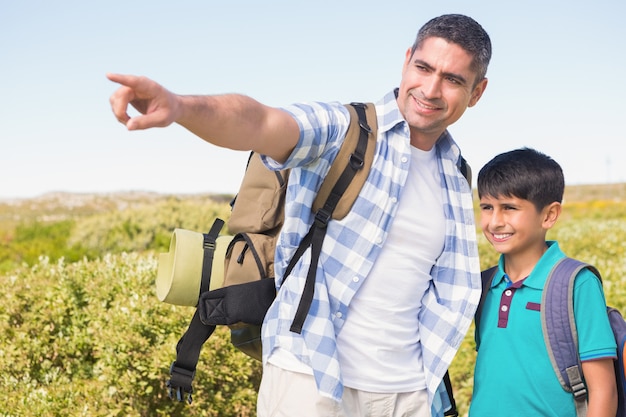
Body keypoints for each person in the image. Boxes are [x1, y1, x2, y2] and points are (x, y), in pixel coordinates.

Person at [108, 13, 491, 417]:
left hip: (408, 391)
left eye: (453, 80)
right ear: (407, 59)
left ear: (477, 92)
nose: (430, 89)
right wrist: (181, 107)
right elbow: (261, 121)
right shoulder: (346, 129)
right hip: (310, 377)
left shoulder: (457, 173)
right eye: (424, 67)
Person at [469, 148, 618, 416]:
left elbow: (603, 390)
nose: (494, 222)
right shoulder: (484, 284)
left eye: (509, 208)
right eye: (487, 207)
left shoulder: (576, 283)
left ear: (549, 215)